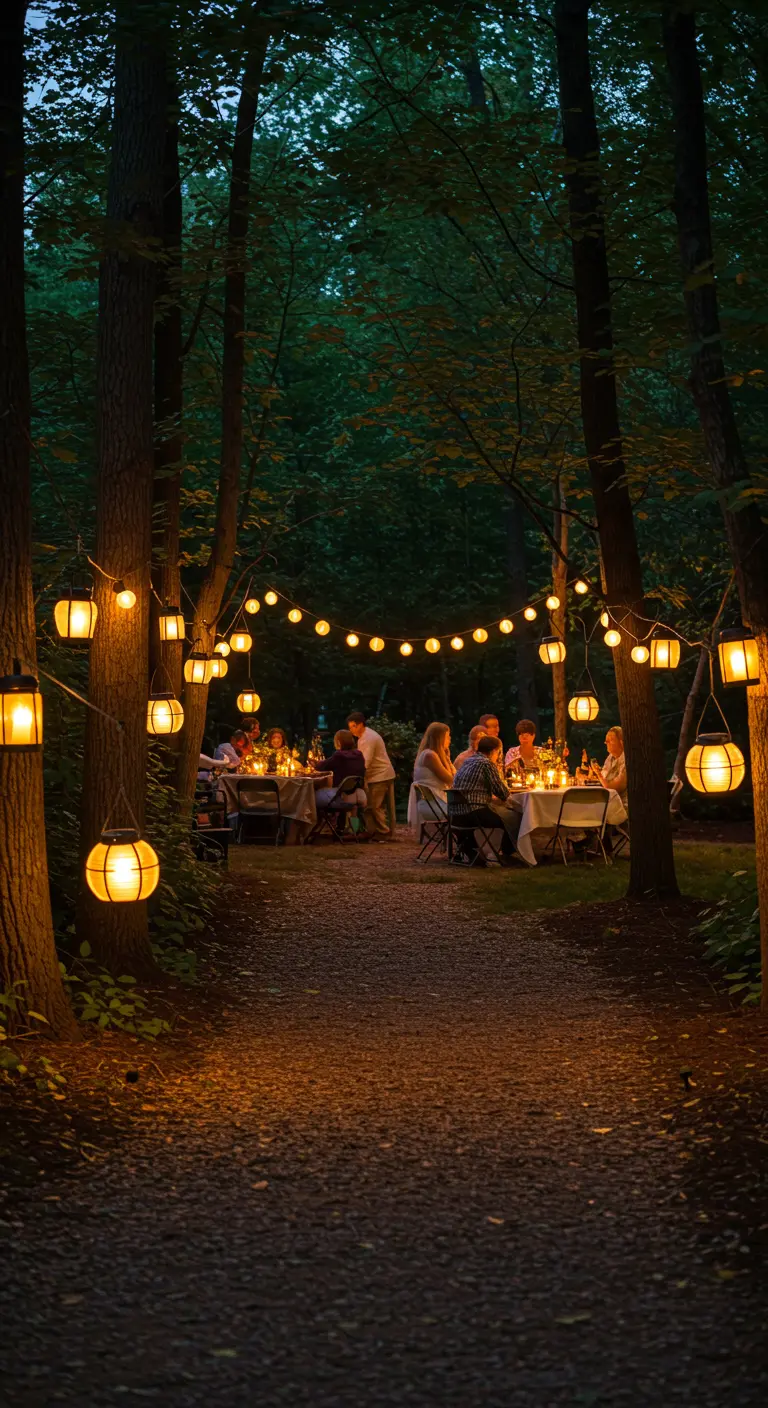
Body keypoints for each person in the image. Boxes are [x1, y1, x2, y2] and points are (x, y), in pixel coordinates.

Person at [452, 735, 524, 866]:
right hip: (474, 812)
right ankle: (509, 853)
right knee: (515, 816)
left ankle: (479, 851)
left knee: (504, 812)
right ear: (494, 751)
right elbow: (501, 792)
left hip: (456, 813)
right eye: (498, 752)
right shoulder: (486, 763)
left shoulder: (468, 761)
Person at [347, 711, 396, 840]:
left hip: (380, 774)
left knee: (375, 805)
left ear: (360, 724)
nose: (351, 730)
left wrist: (357, 776)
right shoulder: (363, 737)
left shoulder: (368, 738)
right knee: (370, 805)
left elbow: (365, 762)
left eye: (353, 726)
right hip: (375, 774)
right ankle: (372, 830)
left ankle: (383, 832)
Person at [407, 722, 453, 831]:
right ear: (439, 739)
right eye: (447, 736)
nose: (449, 740)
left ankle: (459, 839)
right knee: (466, 812)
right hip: (433, 805)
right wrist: (447, 759)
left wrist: (446, 758)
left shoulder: (431, 754)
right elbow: (450, 779)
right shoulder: (429, 756)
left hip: (435, 802)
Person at [310, 729, 367, 812]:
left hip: (341, 797)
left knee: (311, 796)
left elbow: (321, 767)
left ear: (339, 742)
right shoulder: (359, 754)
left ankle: (315, 820)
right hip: (358, 794)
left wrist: (315, 763)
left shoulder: (339, 756)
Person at [590, 726, 627, 804]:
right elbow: (604, 778)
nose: (606, 742)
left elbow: (612, 789)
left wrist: (598, 773)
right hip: (609, 801)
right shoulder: (610, 757)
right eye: (606, 740)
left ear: (621, 742)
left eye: (610, 740)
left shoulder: (626, 760)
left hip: (622, 805)